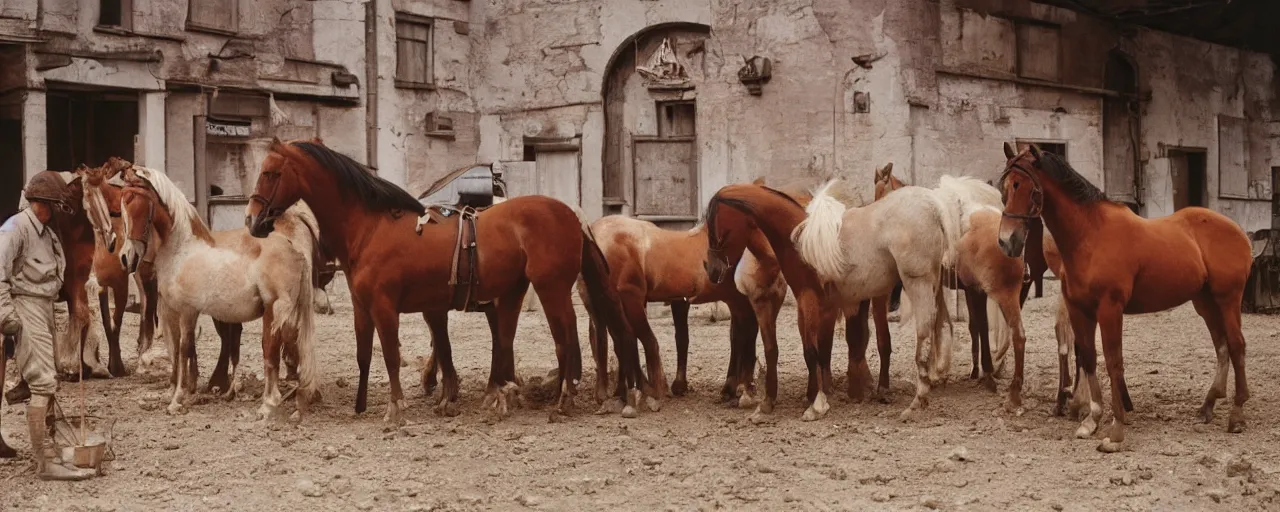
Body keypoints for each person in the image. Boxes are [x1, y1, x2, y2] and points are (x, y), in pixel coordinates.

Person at [0, 172, 95, 480]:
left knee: (49, 378)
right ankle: (46, 463)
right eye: (54, 206)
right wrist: (8, 317)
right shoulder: (15, 228)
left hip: (43, 307)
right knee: (41, 382)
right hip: (26, 306)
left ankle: (50, 451)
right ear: (43, 203)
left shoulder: (46, 232)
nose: (57, 212)